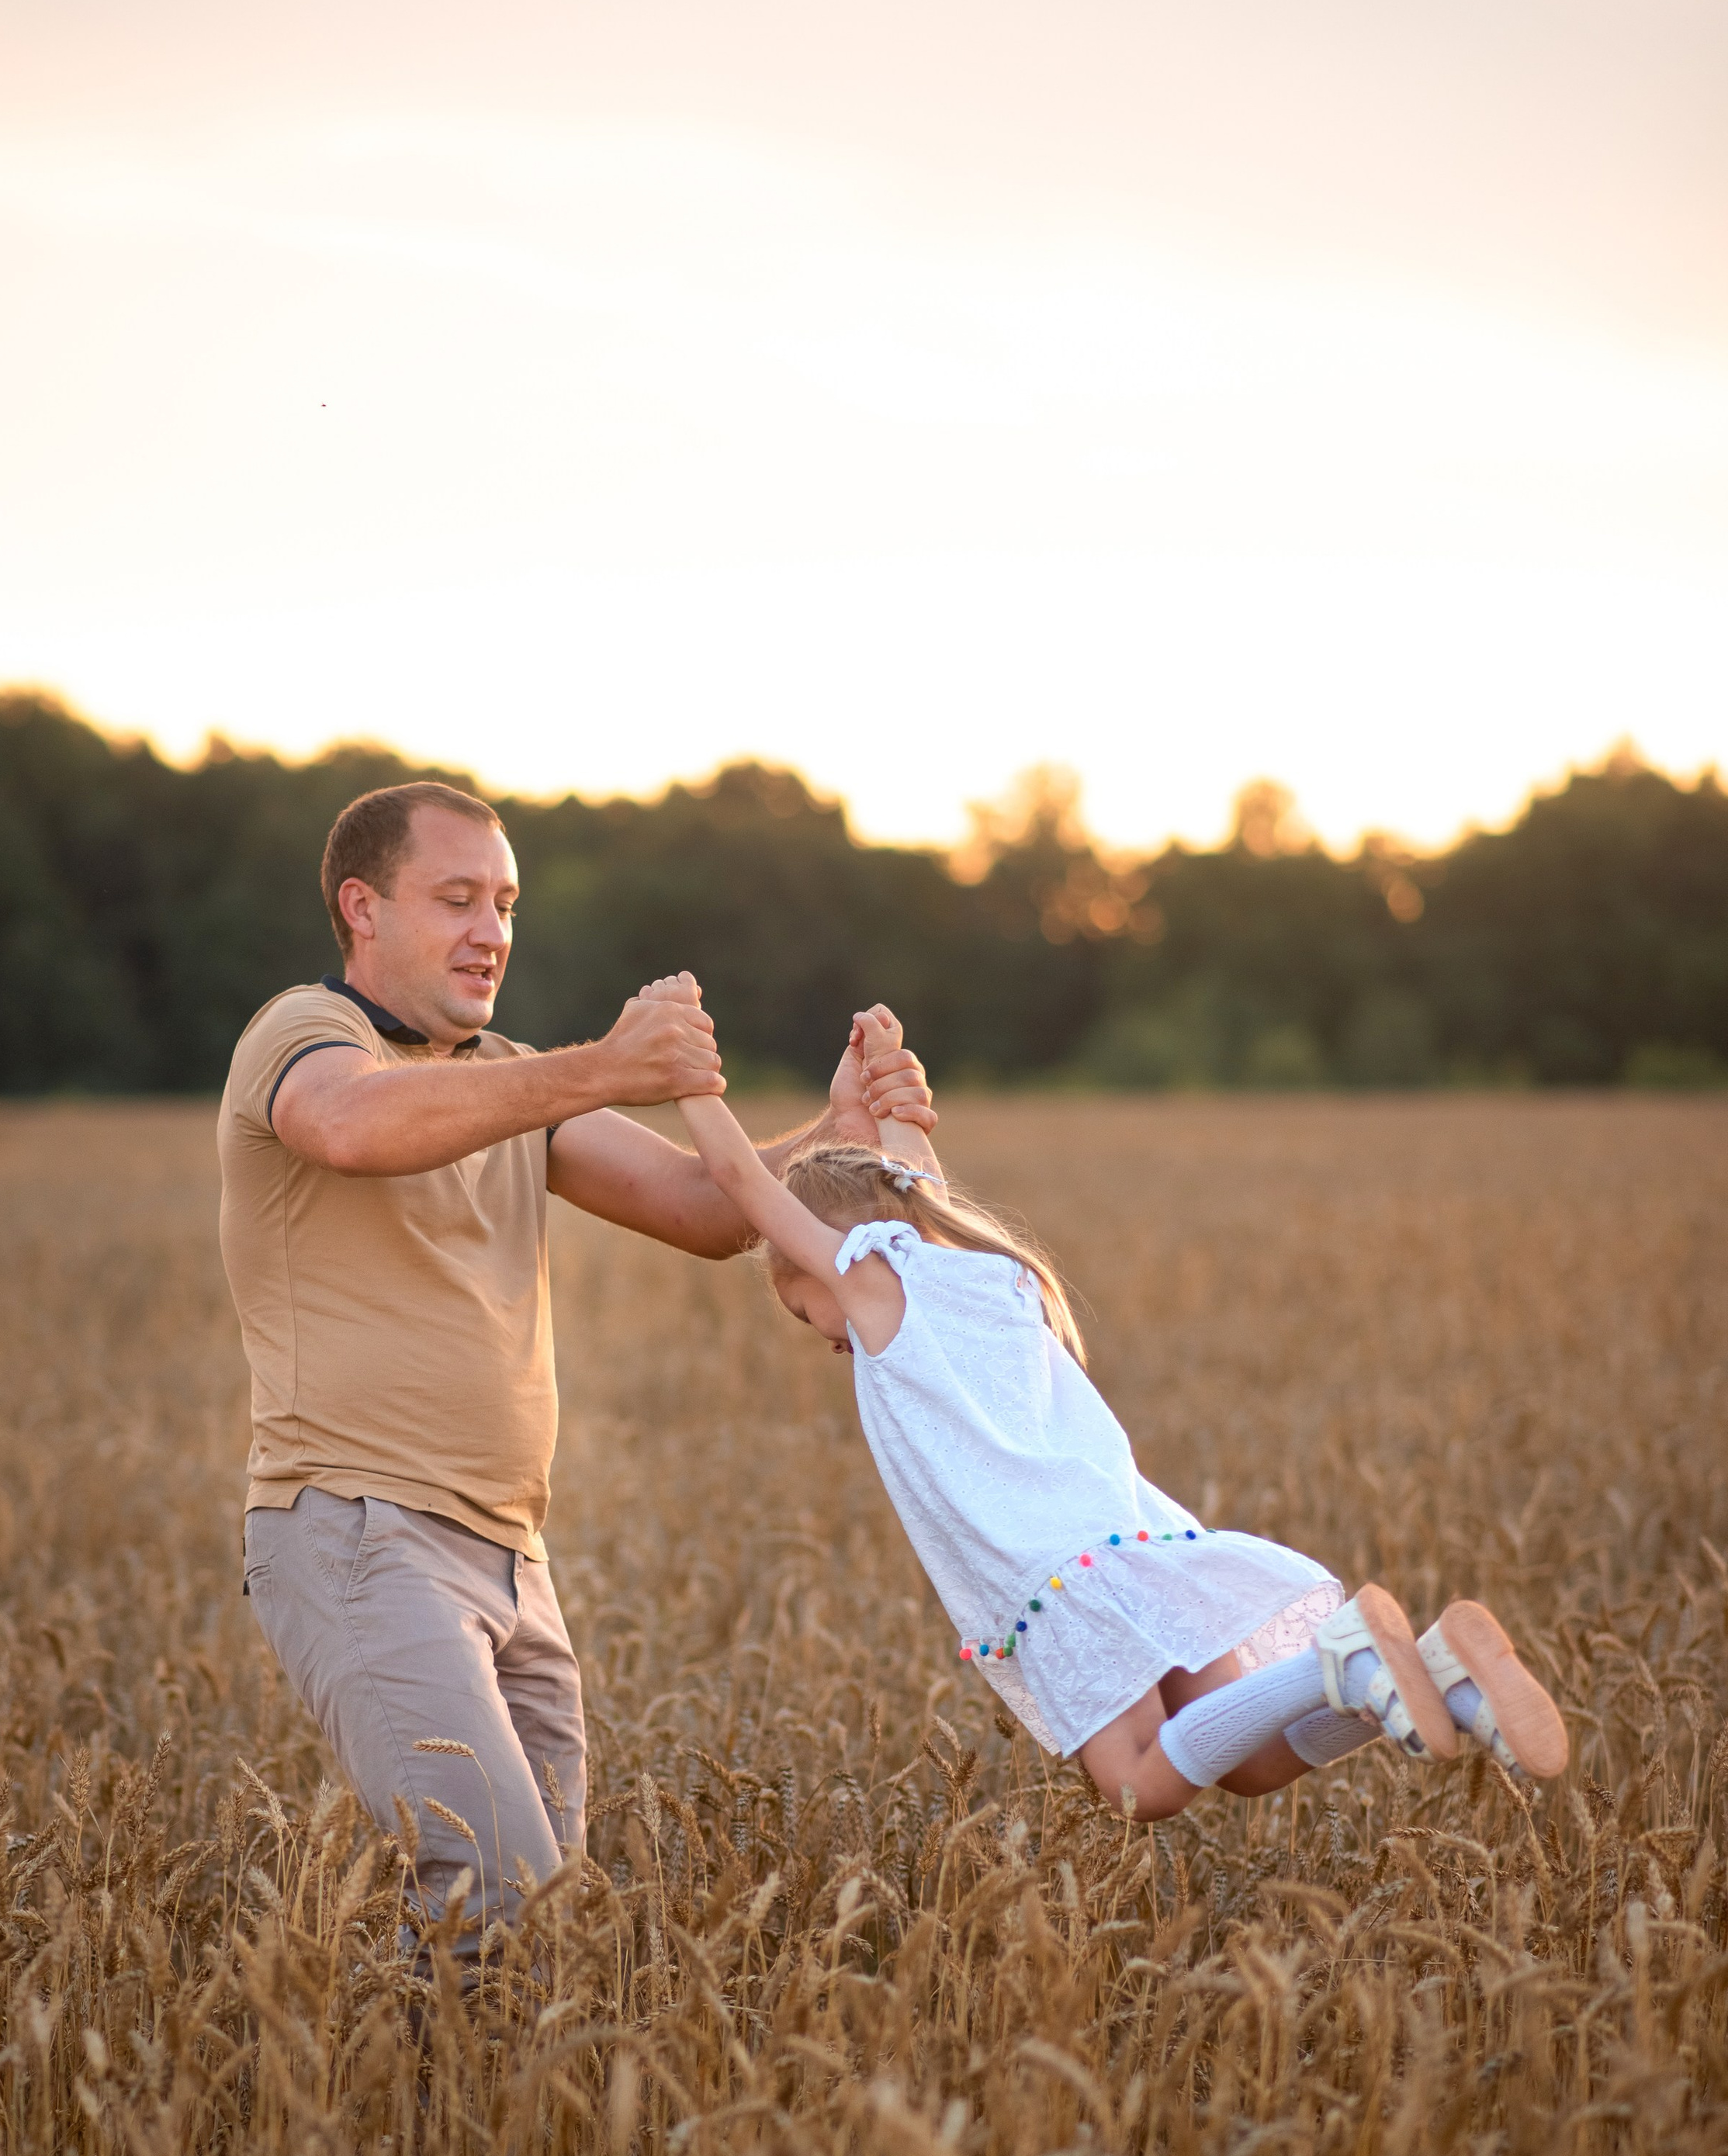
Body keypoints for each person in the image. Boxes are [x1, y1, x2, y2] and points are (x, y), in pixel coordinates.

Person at [216, 780, 937, 1932]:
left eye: (504, 902)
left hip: (512, 1556)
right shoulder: (305, 1034)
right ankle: (398, 2108)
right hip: (358, 1531)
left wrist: (838, 1126)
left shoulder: (509, 1071)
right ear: (362, 906)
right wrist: (604, 1064)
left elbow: (707, 1209)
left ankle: (432, 2109)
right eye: (456, 899)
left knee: (537, 1920)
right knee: (495, 1893)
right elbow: (349, 1125)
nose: (491, 931)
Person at [656, 988, 1567, 1816]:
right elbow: (915, 1174)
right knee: (1244, 1759)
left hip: (1055, 1573)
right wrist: (880, 1073)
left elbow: (741, 1183)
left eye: (798, 1304)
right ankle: (1435, 1673)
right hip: (1131, 1540)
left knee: (1137, 1784)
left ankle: (1347, 1662)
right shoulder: (979, 1266)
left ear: (828, 1255)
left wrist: (686, 1075)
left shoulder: (867, 1283)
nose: (818, 1330)